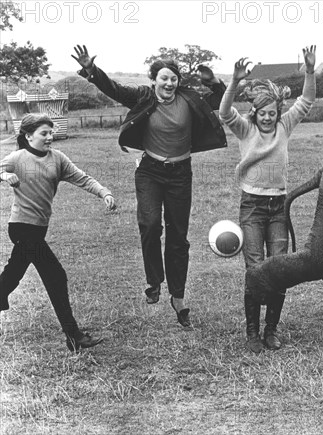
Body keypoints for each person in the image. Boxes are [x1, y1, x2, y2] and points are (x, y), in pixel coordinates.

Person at [71, 45, 228, 327]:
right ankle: (154, 281)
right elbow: (115, 89)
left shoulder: (189, 98)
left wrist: (214, 82)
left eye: (174, 78)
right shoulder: (143, 97)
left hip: (181, 173)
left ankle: (178, 297)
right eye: (164, 78)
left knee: (179, 236)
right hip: (150, 171)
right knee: (150, 223)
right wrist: (91, 71)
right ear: (153, 79)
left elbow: (218, 99)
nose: (169, 83)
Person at [219, 46, 316, 353]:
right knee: (255, 269)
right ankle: (251, 333)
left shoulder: (284, 127)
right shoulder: (245, 130)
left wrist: (310, 71)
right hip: (252, 207)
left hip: (279, 208)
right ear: (255, 114)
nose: (269, 118)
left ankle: (271, 331)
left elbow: (307, 101)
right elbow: (224, 113)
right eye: (263, 114)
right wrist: (234, 82)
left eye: (273, 113)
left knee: (278, 268)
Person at [0, 113, 116, 351]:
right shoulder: (17, 158)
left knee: (14, 272)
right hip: (22, 227)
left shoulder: (57, 159)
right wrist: (4, 175)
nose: (50, 137)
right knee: (55, 276)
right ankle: (74, 336)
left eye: (51, 133)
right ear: (28, 136)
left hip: (39, 229)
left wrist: (103, 192)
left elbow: (81, 178)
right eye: (44, 133)